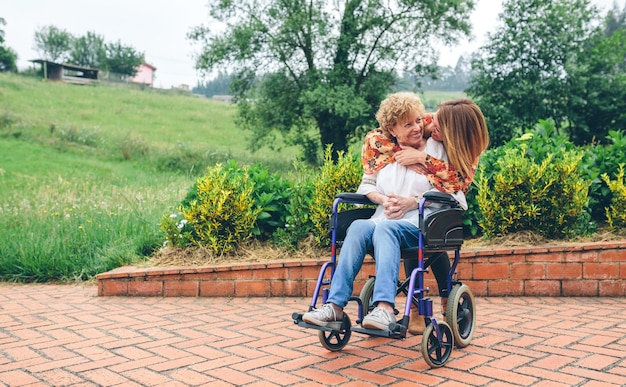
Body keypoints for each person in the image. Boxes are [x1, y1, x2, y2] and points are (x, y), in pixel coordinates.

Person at [302, 96, 489, 333]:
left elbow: (454, 191)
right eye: (408, 124)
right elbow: (368, 181)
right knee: (359, 226)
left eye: (419, 121)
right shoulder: (384, 151)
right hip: (384, 217)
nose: (422, 127)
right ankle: (334, 307)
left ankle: (385, 308)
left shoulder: (443, 150)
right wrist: (384, 199)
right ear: (393, 129)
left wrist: (412, 197)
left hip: (420, 222)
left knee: (386, 228)